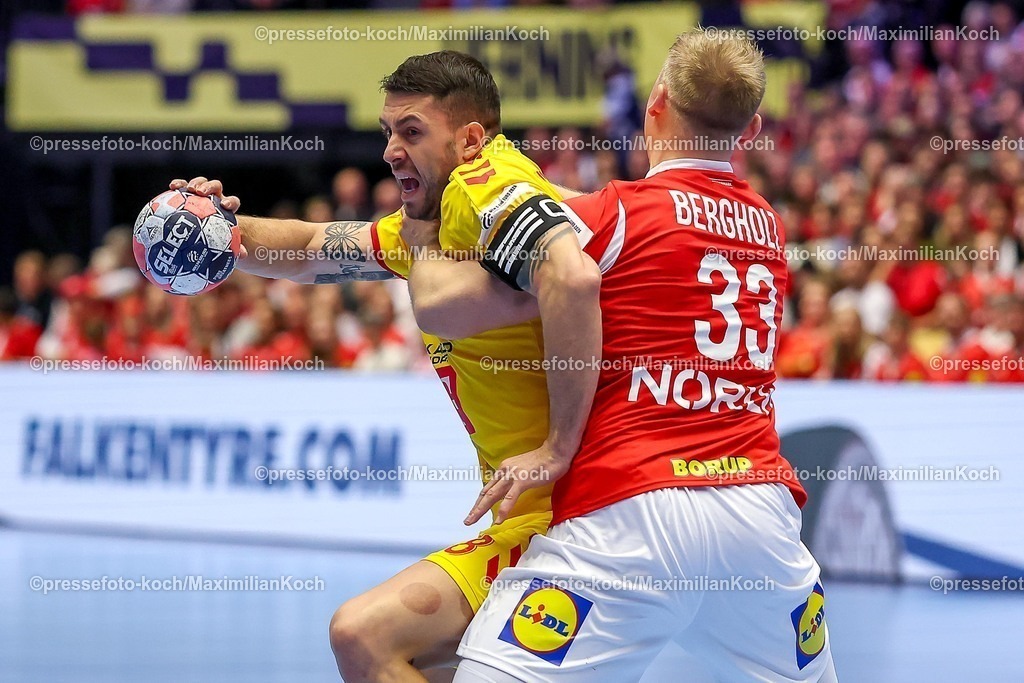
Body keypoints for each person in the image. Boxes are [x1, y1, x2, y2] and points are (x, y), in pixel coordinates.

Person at [401, 30, 838, 681]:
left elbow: (446, 307)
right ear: (752, 128)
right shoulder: (769, 228)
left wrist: (422, 230)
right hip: (760, 513)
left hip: (636, 506)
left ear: (655, 101)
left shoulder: (614, 214)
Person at [155, 50, 600, 683]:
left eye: (412, 131)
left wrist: (558, 447)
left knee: (364, 635)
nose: (391, 149)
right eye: (387, 132)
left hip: (564, 520)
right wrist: (224, 228)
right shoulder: (434, 220)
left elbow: (574, 268)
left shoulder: (488, 186)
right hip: (540, 516)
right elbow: (314, 249)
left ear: (470, 138)